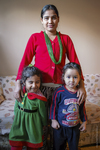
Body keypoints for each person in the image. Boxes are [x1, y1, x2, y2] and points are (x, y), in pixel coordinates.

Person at [49, 62, 87, 150]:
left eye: (75, 77)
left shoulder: (80, 93)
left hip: (75, 127)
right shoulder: (59, 92)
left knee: (74, 147)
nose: (72, 80)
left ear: (80, 78)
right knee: (58, 147)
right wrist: (53, 120)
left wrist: (84, 121)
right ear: (63, 77)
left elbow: (82, 108)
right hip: (60, 127)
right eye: (68, 77)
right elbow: (53, 106)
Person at [9, 65, 47, 150]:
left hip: (32, 125)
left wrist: (44, 124)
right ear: (24, 82)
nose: (34, 85)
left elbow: (43, 113)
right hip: (19, 123)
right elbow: (16, 105)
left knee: (32, 145)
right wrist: (16, 115)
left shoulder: (39, 98)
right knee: (16, 144)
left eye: (37, 82)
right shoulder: (20, 93)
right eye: (31, 82)